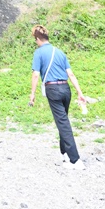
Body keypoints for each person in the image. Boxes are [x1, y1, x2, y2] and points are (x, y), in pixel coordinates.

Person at [28, 23, 86, 168]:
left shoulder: (39, 53)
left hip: (52, 89)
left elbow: (36, 75)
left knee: (63, 123)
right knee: (63, 120)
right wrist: (80, 92)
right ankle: (65, 154)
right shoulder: (60, 52)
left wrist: (32, 94)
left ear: (37, 39)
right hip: (66, 88)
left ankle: (75, 160)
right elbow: (70, 74)